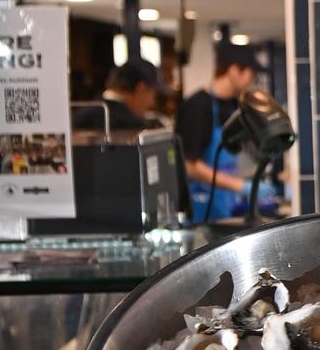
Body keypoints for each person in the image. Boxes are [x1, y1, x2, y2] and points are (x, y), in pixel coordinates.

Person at [176, 43, 275, 222]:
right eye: (251, 75)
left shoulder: (233, 105)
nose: (252, 81)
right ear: (234, 71)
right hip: (200, 209)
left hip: (226, 204)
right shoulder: (198, 107)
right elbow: (190, 166)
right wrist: (241, 186)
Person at [72, 59, 168, 131]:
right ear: (141, 89)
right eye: (153, 94)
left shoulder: (79, 116)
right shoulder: (134, 126)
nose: (152, 103)